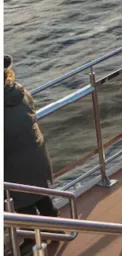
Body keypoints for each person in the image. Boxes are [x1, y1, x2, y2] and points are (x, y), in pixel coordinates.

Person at [4, 54, 57, 217]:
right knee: (39, 194)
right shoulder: (18, 91)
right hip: (35, 154)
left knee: (21, 203)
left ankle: (33, 238)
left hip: (12, 166)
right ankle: (54, 228)